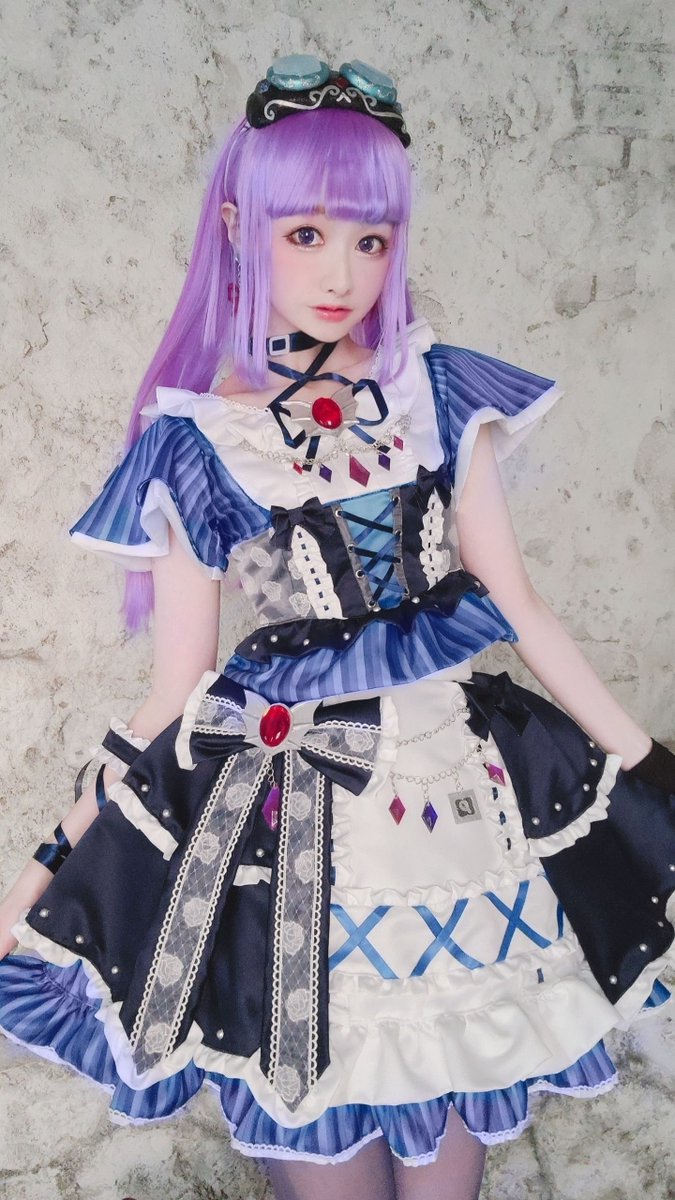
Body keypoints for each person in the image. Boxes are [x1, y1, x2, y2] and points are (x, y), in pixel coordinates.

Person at [0, 53, 673, 1200]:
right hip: (285, 819)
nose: (343, 271)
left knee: (454, 1126)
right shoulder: (197, 440)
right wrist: (41, 870)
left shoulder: (437, 390)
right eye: (306, 232)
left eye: (370, 237)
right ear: (238, 226)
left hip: (460, 809)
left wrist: (648, 766)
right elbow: (174, 692)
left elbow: (518, 604)